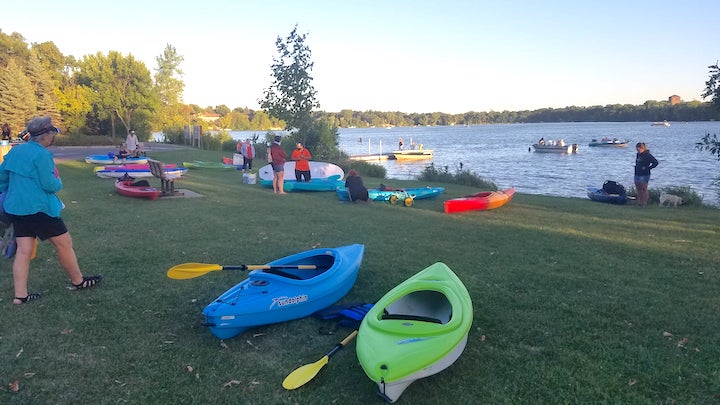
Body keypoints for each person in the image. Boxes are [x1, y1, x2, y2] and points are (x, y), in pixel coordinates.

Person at [0, 116, 102, 305]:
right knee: (64, 243)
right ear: (45, 136)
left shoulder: (15, 152)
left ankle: (20, 296)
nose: (53, 137)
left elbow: (2, 179)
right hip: (40, 209)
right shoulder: (42, 155)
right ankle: (78, 281)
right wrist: (59, 182)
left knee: (23, 251)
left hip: (17, 209)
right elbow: (49, 185)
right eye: (52, 134)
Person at [634, 142, 659, 208]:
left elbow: (655, 162)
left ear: (642, 148)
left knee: (644, 188)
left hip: (644, 174)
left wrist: (648, 168)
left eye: (638, 149)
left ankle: (644, 203)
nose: (637, 150)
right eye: (636, 149)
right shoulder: (638, 155)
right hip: (637, 173)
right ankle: (639, 202)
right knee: (638, 188)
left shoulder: (647, 155)